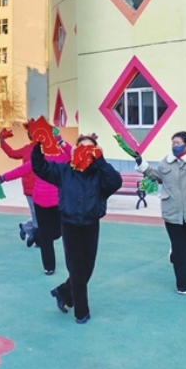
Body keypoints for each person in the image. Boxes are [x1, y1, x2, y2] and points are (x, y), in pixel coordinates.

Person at [31, 134, 122, 324]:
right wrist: (38, 147)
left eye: (90, 149)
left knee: (87, 268)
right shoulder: (64, 171)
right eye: (82, 147)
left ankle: (63, 292)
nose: (85, 152)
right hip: (69, 225)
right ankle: (81, 312)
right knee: (77, 270)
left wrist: (101, 162)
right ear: (74, 150)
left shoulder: (100, 174)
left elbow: (115, 182)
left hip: (91, 224)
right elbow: (40, 167)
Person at [135, 131, 186, 294]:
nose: (175, 145)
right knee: (181, 250)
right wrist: (141, 163)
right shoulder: (166, 162)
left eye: (178, 143)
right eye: (173, 142)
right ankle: (184, 285)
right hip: (171, 211)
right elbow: (155, 175)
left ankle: (175, 255)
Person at [0, 132, 71, 275]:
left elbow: (74, 156)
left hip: (56, 202)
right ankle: (49, 266)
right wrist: (2, 177)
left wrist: (61, 140)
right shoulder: (38, 159)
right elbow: (22, 170)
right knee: (46, 237)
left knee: (56, 233)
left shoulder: (62, 157)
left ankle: (36, 234)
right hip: (40, 201)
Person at [0, 127, 39, 244]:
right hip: (30, 187)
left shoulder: (45, 149)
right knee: (36, 214)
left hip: (42, 187)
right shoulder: (28, 149)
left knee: (39, 214)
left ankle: (26, 227)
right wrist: (2, 141)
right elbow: (12, 153)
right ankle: (37, 238)